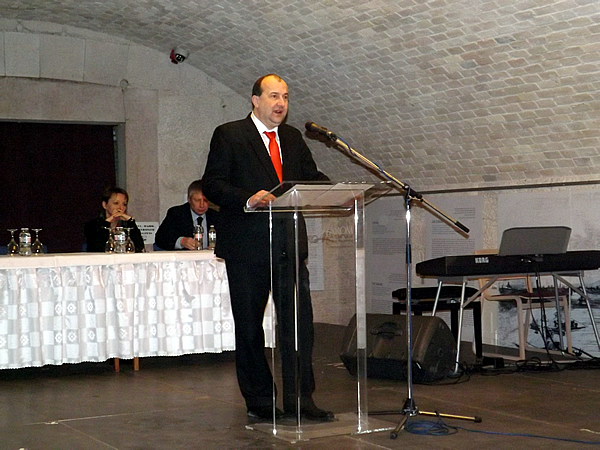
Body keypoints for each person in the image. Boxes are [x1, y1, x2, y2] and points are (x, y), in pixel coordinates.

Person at [202, 74, 333, 422]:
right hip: (247, 248)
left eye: (286, 97)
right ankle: (260, 400)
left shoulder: (291, 138)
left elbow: (310, 178)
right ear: (255, 100)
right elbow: (213, 184)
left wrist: (336, 190)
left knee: (299, 327)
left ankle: (300, 399)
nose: (281, 104)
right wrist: (249, 198)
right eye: (274, 96)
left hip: (289, 246)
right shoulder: (230, 134)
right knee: (250, 329)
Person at [154, 179, 218, 250]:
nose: (201, 205)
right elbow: (160, 238)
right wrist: (181, 241)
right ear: (189, 200)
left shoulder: (216, 216)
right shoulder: (177, 214)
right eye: (197, 200)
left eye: (205, 201)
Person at [84, 187, 145, 252]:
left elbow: (139, 246)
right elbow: (96, 248)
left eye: (124, 204)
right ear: (105, 205)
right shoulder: (92, 225)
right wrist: (107, 222)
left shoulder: (126, 225)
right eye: (116, 203)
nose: (120, 208)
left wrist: (130, 221)